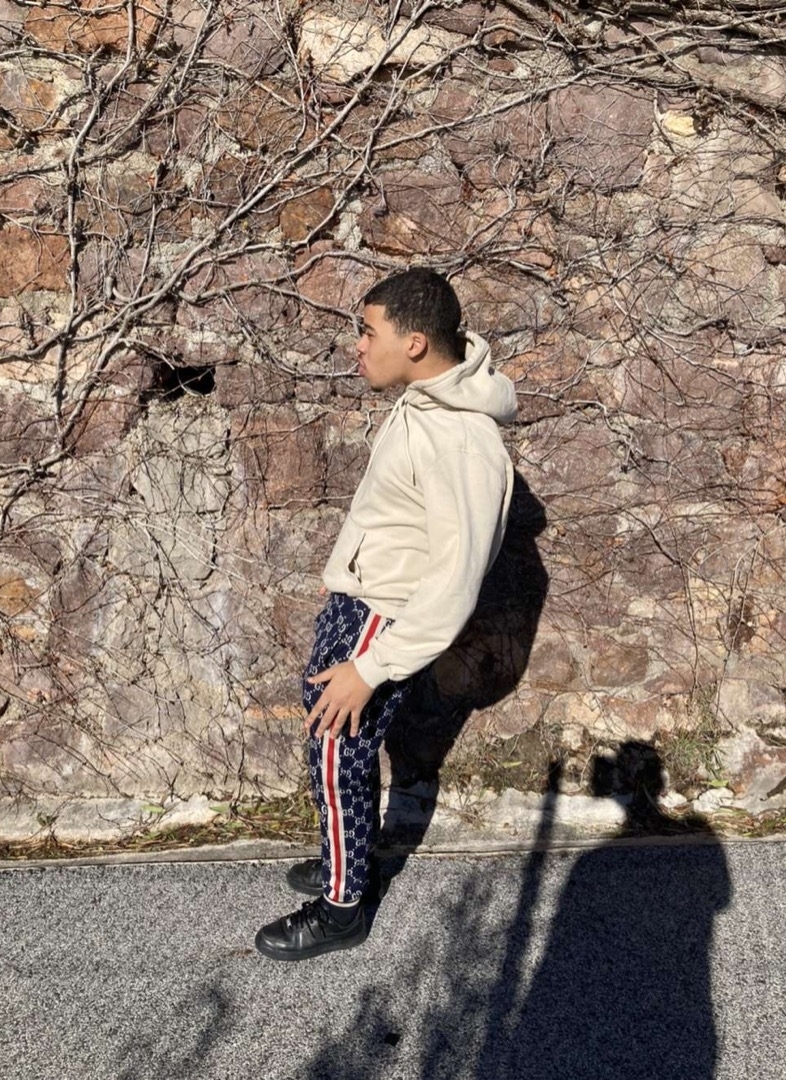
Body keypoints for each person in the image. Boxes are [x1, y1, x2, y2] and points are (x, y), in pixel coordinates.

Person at [255, 268, 517, 961]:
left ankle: (343, 906)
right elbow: (394, 514)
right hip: (360, 603)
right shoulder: (422, 402)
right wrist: (345, 584)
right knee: (333, 744)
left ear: (416, 342)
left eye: (369, 332)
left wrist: (372, 667)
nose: (358, 346)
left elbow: (455, 583)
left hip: (386, 619)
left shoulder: (463, 441)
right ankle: (346, 856)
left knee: (338, 747)